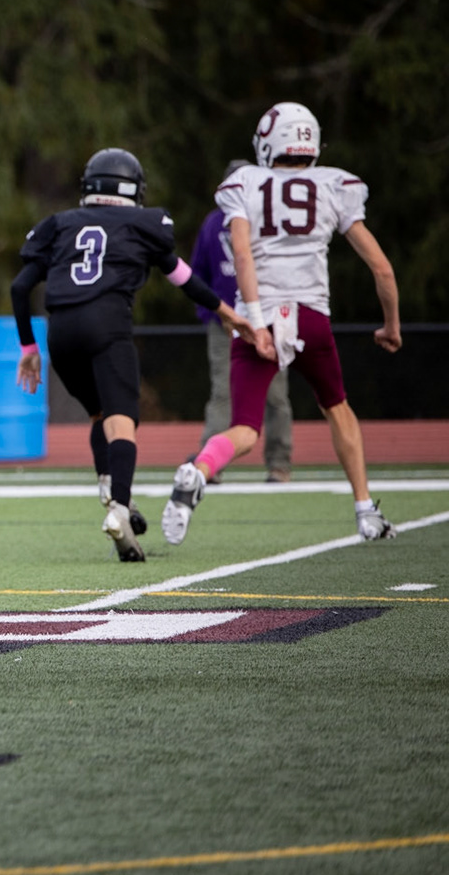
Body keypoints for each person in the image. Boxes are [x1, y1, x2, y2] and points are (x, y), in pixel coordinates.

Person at [163, 103, 403, 545]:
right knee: (338, 408)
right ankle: (365, 509)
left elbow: (242, 255)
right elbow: (383, 270)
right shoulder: (334, 185)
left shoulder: (245, 184)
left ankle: (198, 470)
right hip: (310, 317)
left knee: (245, 429)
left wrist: (254, 323)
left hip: (263, 315)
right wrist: (391, 326)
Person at [11, 149, 257, 562]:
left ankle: (109, 483)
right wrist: (225, 311)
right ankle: (120, 511)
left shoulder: (60, 224)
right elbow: (184, 279)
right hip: (107, 324)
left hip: (62, 333)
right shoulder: (143, 224)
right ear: (133, 189)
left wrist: (28, 349)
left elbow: (20, 288)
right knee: (123, 419)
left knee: (99, 416)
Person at [191, 161, 294, 483]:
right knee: (223, 391)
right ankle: (210, 464)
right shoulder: (213, 223)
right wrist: (213, 313)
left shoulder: (272, 221)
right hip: (227, 324)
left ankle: (279, 463)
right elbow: (198, 274)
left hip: (269, 318)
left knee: (275, 394)